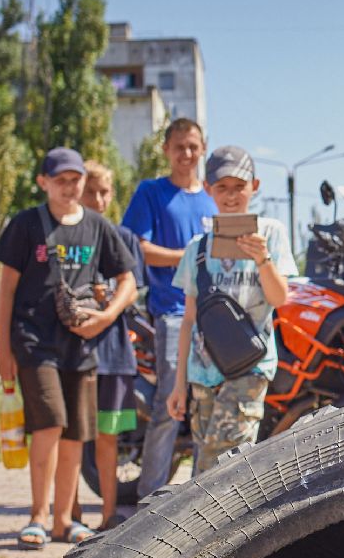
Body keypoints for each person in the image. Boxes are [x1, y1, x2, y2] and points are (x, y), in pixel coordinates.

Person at [0, 148, 137, 548]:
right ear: (44, 182)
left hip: (82, 345)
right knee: (50, 423)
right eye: (61, 180)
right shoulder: (26, 224)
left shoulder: (97, 226)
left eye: (75, 180)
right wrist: (3, 348)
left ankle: (63, 520)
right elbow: (6, 290)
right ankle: (37, 516)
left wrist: (105, 318)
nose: (70, 187)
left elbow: (127, 279)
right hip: (34, 341)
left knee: (75, 433)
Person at [166, 146, 295, 471]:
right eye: (222, 187)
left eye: (239, 186)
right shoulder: (197, 249)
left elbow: (280, 298)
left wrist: (263, 260)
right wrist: (179, 384)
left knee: (222, 467)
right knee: (208, 469)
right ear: (208, 188)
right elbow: (189, 320)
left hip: (249, 368)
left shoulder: (271, 234)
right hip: (203, 373)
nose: (231, 195)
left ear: (255, 186)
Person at [121, 119, 215, 497]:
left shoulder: (213, 197)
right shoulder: (152, 192)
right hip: (172, 311)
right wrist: (188, 256)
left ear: (203, 148)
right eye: (179, 146)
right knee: (169, 405)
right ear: (166, 150)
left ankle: (203, 498)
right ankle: (148, 502)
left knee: (209, 407)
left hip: (214, 316)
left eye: (193, 146)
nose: (186, 154)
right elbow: (138, 247)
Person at [60, 161, 144, 531]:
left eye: (103, 191)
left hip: (113, 351)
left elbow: (134, 289)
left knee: (108, 436)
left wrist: (107, 302)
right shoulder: (66, 238)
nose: (97, 198)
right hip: (73, 351)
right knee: (72, 434)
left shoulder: (123, 237)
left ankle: (109, 514)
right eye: (90, 191)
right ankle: (70, 512)